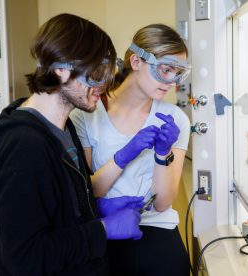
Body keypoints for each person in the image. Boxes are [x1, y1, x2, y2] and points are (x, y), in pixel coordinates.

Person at [0, 13, 145, 276]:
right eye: (96, 72)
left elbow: (59, 213)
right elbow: (25, 258)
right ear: (61, 69)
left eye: (107, 72)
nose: (104, 85)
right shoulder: (22, 146)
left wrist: (94, 210)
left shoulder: (64, 128)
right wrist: (103, 229)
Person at [70, 23, 191, 276]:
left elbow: (163, 203)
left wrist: (162, 154)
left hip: (159, 233)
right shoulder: (88, 114)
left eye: (178, 73)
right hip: (107, 230)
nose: (171, 81)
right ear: (136, 61)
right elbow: (89, 192)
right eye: (165, 70)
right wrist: (126, 154)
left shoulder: (174, 118)